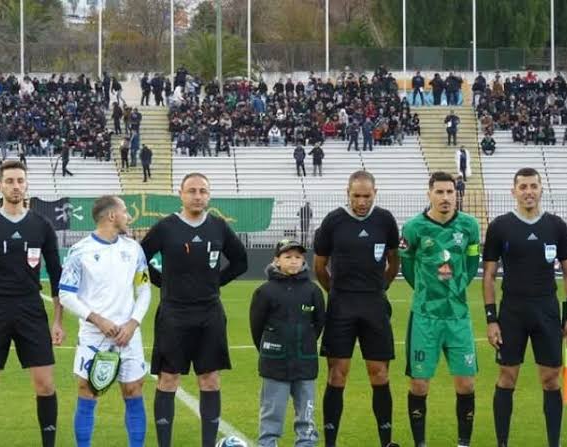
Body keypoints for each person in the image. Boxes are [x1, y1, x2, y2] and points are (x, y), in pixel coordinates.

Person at [0, 160, 64, 447]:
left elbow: (57, 276)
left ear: (26, 183)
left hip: (32, 309)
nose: (16, 186)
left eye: (20, 180)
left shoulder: (41, 225)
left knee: (45, 384)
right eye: (10, 181)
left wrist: (57, 320)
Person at [140, 173, 248, 447]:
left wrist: (215, 283)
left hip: (209, 314)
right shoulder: (166, 227)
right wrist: (165, 285)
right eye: (192, 191)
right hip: (173, 314)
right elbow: (140, 259)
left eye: (202, 191)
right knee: (168, 379)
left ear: (209, 195)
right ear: (181, 193)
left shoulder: (219, 227)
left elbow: (240, 262)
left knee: (210, 380)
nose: (197, 196)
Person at [483, 167, 567, 447]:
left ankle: (554, 443)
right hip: (512, 311)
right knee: (507, 376)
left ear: (541, 189)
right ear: (513, 191)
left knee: (551, 379)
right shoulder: (500, 226)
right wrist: (491, 319)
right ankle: (502, 443)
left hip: (546, 310)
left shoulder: (556, 226)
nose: (528, 191)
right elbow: (489, 276)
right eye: (523, 186)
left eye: (533, 186)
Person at [313, 170, 401, 447]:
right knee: (337, 373)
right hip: (341, 307)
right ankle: (330, 442)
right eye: (356, 196)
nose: (361, 201)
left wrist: (378, 290)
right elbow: (319, 266)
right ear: (347, 192)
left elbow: (393, 262)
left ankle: (386, 441)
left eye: (366, 196)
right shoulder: (333, 221)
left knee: (380, 373)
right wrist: (336, 293)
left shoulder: (385, 220)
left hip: (374, 305)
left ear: (375, 193)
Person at [59, 196, 152, 447]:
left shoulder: (134, 249)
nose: (128, 217)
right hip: (94, 334)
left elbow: (144, 290)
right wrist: (97, 320)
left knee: (133, 390)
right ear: (112, 216)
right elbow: (66, 294)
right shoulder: (80, 251)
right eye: (124, 211)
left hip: (128, 335)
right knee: (87, 392)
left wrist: (133, 323)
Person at [399, 171, 480, 447]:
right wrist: (427, 291)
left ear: (456, 194)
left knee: (466, 384)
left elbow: (471, 265)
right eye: (440, 192)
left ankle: (463, 443)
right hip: (425, 317)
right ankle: (420, 443)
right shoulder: (414, 228)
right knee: (419, 384)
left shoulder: (469, 226)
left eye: (450, 192)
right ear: (429, 193)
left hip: (458, 316)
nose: (445, 197)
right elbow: (407, 266)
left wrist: (454, 290)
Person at [250, 240, 325, 447]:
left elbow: (318, 324)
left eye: (298, 257)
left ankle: (306, 443)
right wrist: (271, 349)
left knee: (306, 413)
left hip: (305, 363)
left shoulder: (313, 291)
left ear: (304, 261)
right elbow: (257, 328)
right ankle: (267, 443)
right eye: (288, 257)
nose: (293, 261)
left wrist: (305, 343)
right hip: (275, 364)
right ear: (276, 260)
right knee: (272, 412)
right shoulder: (265, 291)